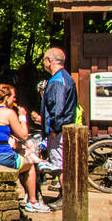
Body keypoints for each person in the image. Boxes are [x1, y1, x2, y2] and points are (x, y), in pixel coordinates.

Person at [0, 83, 46, 212]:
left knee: (21, 152)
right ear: (6, 97)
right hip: (0, 157)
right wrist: (22, 116)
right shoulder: (8, 113)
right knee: (30, 164)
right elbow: (24, 135)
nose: (15, 100)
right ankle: (33, 201)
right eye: (13, 96)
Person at [30, 47, 78, 177]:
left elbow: (58, 107)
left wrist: (53, 129)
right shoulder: (65, 77)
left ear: (49, 61)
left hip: (58, 130)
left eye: (44, 60)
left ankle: (64, 196)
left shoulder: (57, 81)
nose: (43, 63)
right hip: (62, 127)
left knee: (59, 164)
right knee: (60, 162)